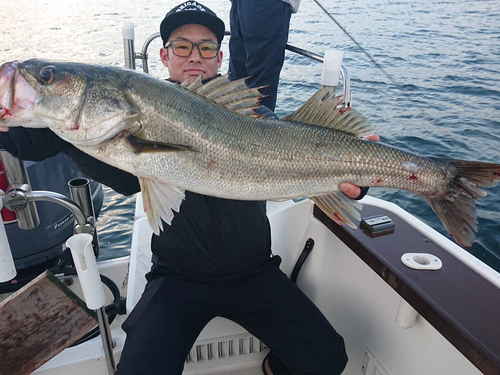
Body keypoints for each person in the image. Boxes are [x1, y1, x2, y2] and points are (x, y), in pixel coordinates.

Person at [0, 3, 370, 374]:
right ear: (164, 55)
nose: (195, 56)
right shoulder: (140, 113)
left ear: (219, 56)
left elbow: (306, 156)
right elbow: (128, 179)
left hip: (254, 272)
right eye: (182, 46)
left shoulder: (254, 113)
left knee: (327, 358)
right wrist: (41, 138)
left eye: (206, 47)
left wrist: (359, 177)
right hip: (178, 278)